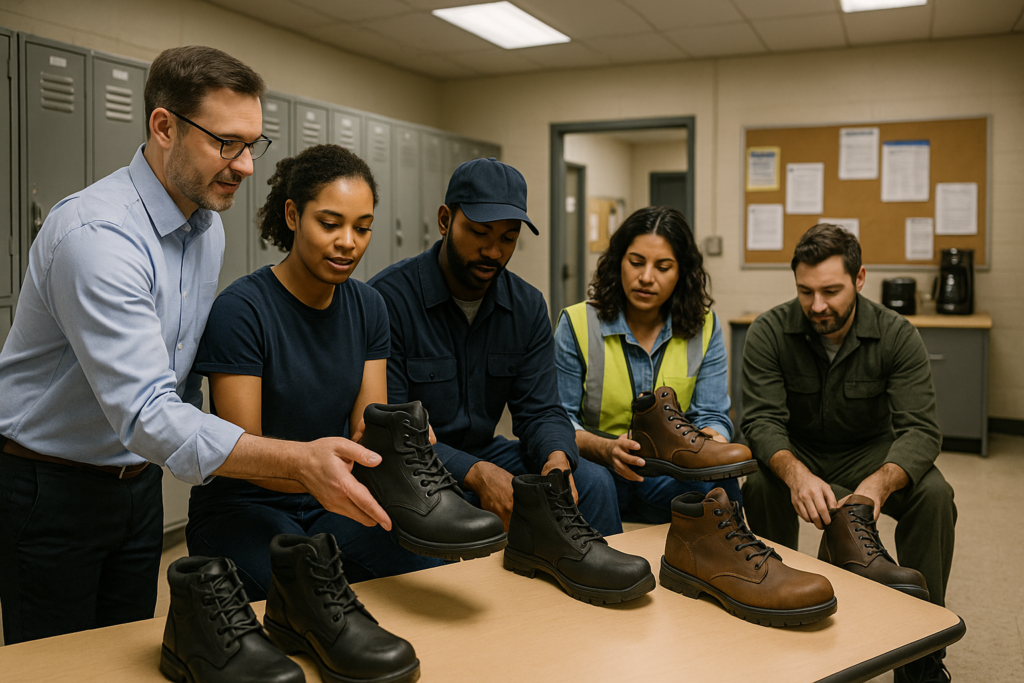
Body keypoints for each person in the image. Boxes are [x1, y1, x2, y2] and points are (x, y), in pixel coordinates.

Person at [0, 47, 388, 645]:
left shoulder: (205, 226)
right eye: (225, 143)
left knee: (124, 652)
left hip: (137, 483)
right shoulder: (98, 237)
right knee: (56, 663)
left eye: (252, 145)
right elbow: (147, 411)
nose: (246, 166)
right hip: (52, 490)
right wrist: (299, 462)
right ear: (163, 127)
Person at [187, 144, 443, 599]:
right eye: (330, 224)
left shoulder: (369, 307)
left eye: (362, 228)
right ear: (292, 215)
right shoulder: (241, 310)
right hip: (246, 505)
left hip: (333, 497)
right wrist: (317, 471)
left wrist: (398, 440)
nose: (348, 241)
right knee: (311, 594)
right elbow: (242, 450)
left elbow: (368, 427)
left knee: (428, 566)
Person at [740, 224, 955, 681]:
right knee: (759, 484)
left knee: (935, 494)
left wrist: (878, 484)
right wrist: (794, 474)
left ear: (859, 279)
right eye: (806, 291)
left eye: (831, 291)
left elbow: (921, 429)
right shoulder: (768, 332)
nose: (818, 306)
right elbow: (761, 421)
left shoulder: (897, 334)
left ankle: (923, 648)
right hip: (799, 452)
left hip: (870, 455)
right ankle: (768, 614)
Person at [369, 158, 620, 537]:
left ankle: (589, 573)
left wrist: (556, 459)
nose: (493, 251)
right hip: (414, 465)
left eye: (508, 237)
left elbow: (541, 411)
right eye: (479, 232)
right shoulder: (387, 300)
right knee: (450, 506)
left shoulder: (527, 305)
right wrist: (477, 474)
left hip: (487, 452)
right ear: (444, 220)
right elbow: (395, 435)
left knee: (594, 482)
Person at [553, 206, 742, 524]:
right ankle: (607, 570)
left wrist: (708, 446)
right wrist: (607, 449)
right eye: (636, 263)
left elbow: (712, 414)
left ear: (682, 271)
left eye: (663, 267)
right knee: (595, 483)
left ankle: (735, 565)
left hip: (668, 472)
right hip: (599, 465)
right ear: (618, 263)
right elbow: (559, 418)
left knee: (723, 482)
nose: (646, 277)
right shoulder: (577, 323)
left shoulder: (704, 326)